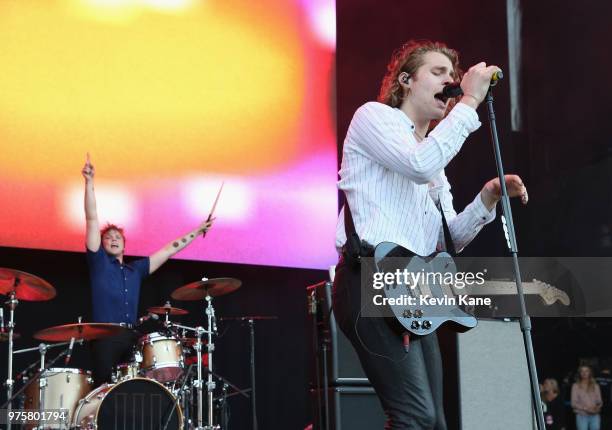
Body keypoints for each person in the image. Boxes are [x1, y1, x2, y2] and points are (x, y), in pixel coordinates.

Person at [332, 40, 529, 429]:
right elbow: (418, 164)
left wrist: (486, 199)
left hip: (414, 288)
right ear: (405, 80)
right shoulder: (374, 117)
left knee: (434, 422)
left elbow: (446, 242)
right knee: (413, 415)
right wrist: (471, 100)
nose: (450, 81)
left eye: (453, 77)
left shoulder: (434, 160)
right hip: (370, 276)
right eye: (438, 73)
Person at [82, 153, 214, 386]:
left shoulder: (136, 270)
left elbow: (168, 250)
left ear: (124, 243)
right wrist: (89, 183)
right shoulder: (99, 262)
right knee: (103, 391)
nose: (113, 239)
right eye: (108, 237)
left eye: (118, 236)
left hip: (131, 339)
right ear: (101, 244)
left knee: (132, 392)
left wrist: (197, 231)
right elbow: (92, 219)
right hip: (104, 338)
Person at [571, 365, 602, 430]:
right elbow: (573, 403)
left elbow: (599, 401)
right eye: (582, 371)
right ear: (579, 373)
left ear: (590, 373)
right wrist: (586, 409)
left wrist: (597, 408)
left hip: (595, 415)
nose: (584, 373)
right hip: (581, 415)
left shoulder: (595, 385)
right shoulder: (575, 386)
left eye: (586, 371)